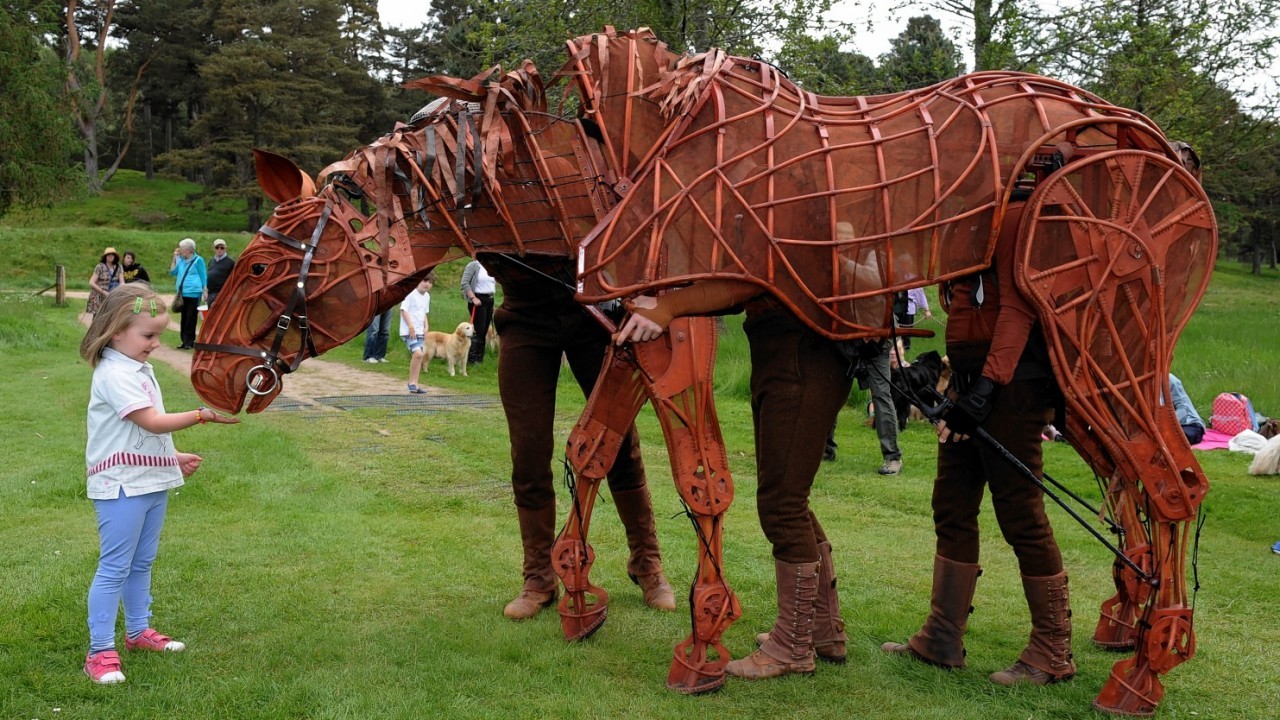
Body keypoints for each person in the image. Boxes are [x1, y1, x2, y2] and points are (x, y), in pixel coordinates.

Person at [616, 279, 853, 680]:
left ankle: (793, 647)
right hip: (785, 351)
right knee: (789, 499)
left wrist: (668, 305)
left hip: (802, 353)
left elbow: (746, 278)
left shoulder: (792, 222)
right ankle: (821, 629)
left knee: (783, 505)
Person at [881, 203, 1075, 687]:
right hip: (970, 381)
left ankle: (1053, 650)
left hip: (1012, 386)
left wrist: (987, 388)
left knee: (1020, 512)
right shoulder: (971, 214)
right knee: (951, 504)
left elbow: (1019, 305)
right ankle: (942, 637)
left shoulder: (1015, 216)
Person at [475, 253, 675, 621]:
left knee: (619, 442)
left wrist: (650, 293)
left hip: (591, 311)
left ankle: (646, 562)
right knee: (528, 450)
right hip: (523, 318)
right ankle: (538, 577)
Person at [78, 283, 238, 684]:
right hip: (120, 485)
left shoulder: (138, 368)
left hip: (147, 481)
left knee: (141, 563)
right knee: (115, 566)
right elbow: (149, 420)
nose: (154, 344)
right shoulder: (115, 372)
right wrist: (201, 415)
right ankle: (100, 651)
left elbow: (144, 433)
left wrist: (171, 457)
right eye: (148, 335)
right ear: (116, 331)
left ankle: (137, 633)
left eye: (158, 336)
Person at [167, 238, 206, 350]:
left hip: (194, 292)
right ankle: (184, 341)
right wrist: (174, 259)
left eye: (182, 248)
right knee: (184, 317)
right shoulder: (181, 260)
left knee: (191, 317)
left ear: (189, 249)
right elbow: (172, 272)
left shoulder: (198, 260)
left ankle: (189, 341)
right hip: (182, 293)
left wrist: (205, 289)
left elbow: (203, 275)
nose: (180, 250)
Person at [400, 273, 434, 393]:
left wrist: (426, 326)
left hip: (420, 330)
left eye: (430, 282)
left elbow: (424, 312)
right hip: (409, 331)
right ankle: (412, 383)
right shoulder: (410, 294)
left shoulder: (427, 297)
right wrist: (410, 326)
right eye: (425, 281)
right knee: (418, 354)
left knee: (419, 356)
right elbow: (404, 310)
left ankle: (415, 383)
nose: (427, 284)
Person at [460, 259, 496, 365]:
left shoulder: (490, 265)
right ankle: (472, 358)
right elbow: (465, 283)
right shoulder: (473, 266)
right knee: (478, 329)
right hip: (477, 300)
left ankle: (480, 358)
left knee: (485, 330)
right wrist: (473, 298)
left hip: (489, 299)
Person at [1168, 373, 1206, 445]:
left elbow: (1183, 409)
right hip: (1163, 426)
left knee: (1177, 438)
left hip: (1188, 423)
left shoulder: (1171, 380)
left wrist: (1167, 424)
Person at [87, 247, 122, 315]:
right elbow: (91, 282)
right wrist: (103, 292)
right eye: (108, 254)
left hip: (113, 296)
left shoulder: (119, 267)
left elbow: (122, 282)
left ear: (115, 256)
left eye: (112, 254)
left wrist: (120, 290)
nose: (110, 256)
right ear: (105, 256)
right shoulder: (100, 267)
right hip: (100, 296)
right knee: (98, 318)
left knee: (111, 317)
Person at [205, 238, 235, 306]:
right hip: (210, 292)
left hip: (222, 293)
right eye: (217, 247)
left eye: (222, 247)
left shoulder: (230, 262)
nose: (219, 249)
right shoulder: (211, 261)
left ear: (225, 249)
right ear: (214, 249)